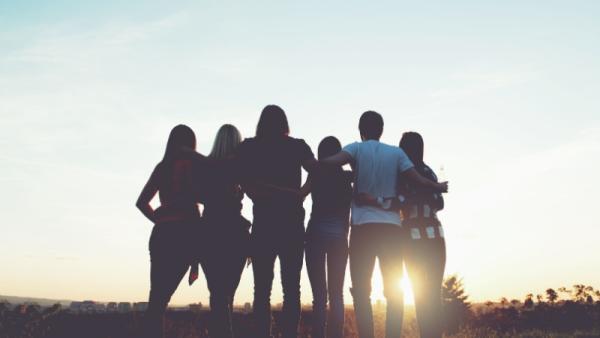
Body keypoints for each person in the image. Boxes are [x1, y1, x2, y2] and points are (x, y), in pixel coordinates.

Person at [321, 111, 447, 338]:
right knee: (395, 292)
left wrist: (315, 162)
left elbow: (332, 163)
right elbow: (422, 188)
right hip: (393, 231)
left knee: (361, 291)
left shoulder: (356, 149)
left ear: (360, 130)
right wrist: (436, 188)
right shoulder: (397, 155)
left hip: (363, 229)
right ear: (381, 130)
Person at [236, 105, 317, 338]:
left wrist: (255, 192)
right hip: (292, 224)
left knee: (261, 290)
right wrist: (302, 193)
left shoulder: (249, 147)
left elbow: (239, 176)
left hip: (263, 224)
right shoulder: (297, 146)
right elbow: (316, 170)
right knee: (292, 289)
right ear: (284, 123)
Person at [135, 124, 202, 338]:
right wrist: (195, 261)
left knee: (157, 298)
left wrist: (161, 218)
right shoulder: (194, 167)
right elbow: (196, 210)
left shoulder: (162, 167)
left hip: (162, 236)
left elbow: (142, 202)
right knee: (161, 300)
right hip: (184, 235)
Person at [196, 124, 251, 338]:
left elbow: (198, 196)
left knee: (217, 294)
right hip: (235, 235)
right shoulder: (241, 167)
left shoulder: (204, 166)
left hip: (209, 233)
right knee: (227, 295)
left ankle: (220, 333)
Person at [303, 136, 353, 338]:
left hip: (315, 234)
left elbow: (300, 195)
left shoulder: (316, 174)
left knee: (319, 295)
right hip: (339, 237)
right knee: (337, 294)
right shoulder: (347, 178)